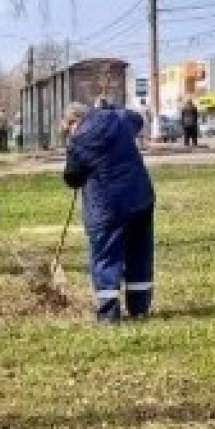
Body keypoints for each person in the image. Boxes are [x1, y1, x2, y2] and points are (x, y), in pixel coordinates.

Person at [60, 102, 156, 324]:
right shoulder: (118, 120)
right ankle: (140, 308)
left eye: (67, 128)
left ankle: (108, 313)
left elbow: (72, 177)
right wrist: (111, 109)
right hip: (140, 199)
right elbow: (137, 119)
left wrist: (78, 173)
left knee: (106, 257)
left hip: (107, 207)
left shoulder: (79, 140)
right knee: (139, 254)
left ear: (74, 121)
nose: (68, 133)